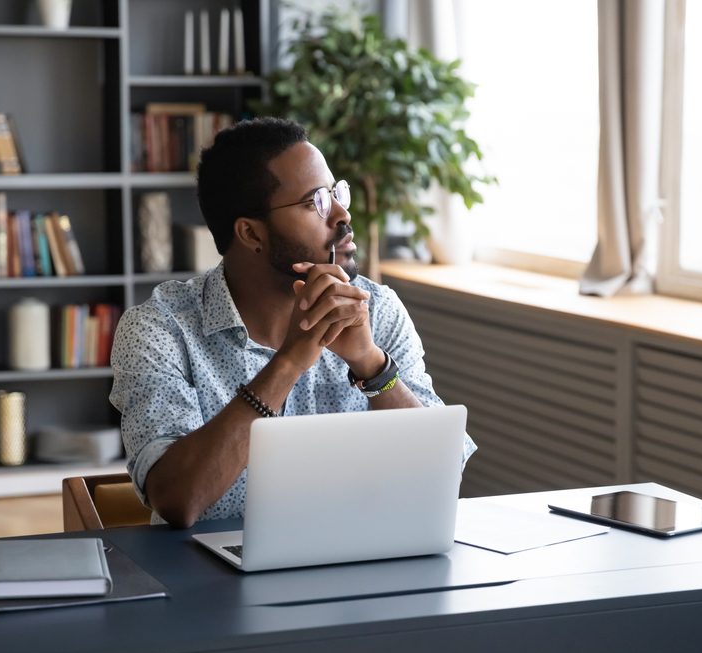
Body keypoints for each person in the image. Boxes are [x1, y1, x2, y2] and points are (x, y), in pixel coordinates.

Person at [109, 117, 475, 528]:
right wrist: (289, 362)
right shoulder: (160, 329)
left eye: (338, 193)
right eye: (314, 202)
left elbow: (446, 475)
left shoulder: (378, 310)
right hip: (212, 578)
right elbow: (178, 500)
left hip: (362, 567)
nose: (341, 214)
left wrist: (372, 365)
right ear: (251, 233)